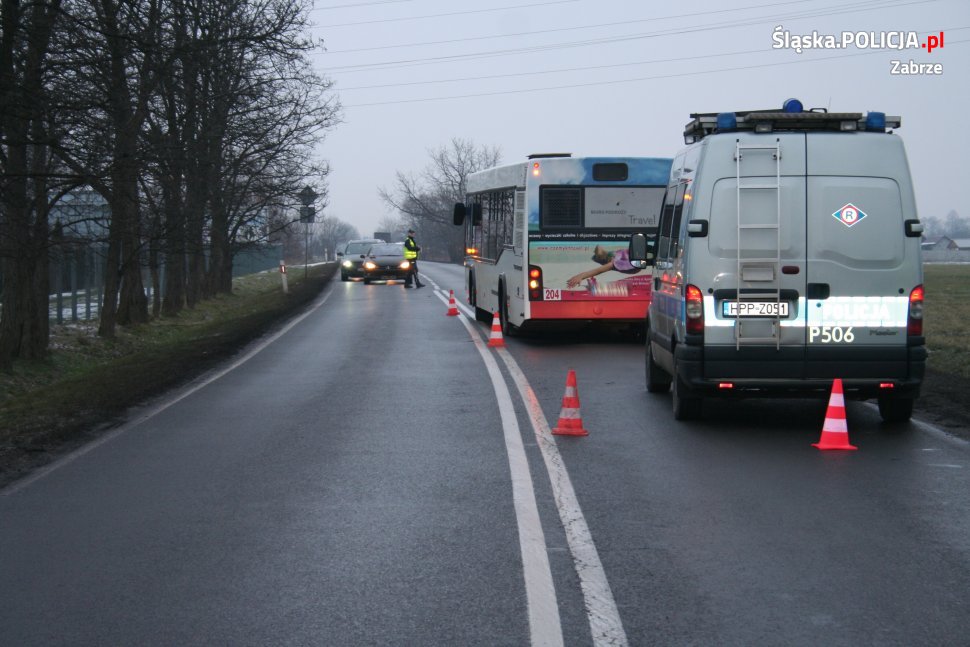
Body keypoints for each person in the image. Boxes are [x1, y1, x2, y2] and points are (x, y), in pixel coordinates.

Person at [565, 244, 642, 289]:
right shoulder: (618, 258)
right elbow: (599, 269)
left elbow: (598, 270)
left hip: (621, 261)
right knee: (601, 251)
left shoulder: (615, 260)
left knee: (600, 251)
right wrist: (581, 276)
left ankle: (601, 255)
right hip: (623, 260)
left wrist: (581, 276)